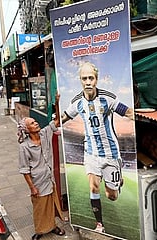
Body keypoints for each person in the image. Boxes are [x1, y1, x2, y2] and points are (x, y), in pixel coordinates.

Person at [61, 61, 134, 233]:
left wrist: (138, 116)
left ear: (96, 79)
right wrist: (53, 122)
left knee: (112, 196)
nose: (88, 82)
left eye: (91, 78)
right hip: (91, 153)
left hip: (111, 154)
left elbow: (128, 112)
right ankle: (99, 224)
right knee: (93, 187)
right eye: (84, 78)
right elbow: (64, 117)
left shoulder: (107, 98)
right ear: (80, 80)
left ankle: (118, 180)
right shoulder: (77, 102)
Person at [17, 94, 65, 240]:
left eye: (35, 121)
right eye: (32, 123)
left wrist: (57, 103)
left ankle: (53, 226)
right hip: (38, 181)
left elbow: (57, 121)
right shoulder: (24, 147)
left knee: (51, 204)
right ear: (27, 129)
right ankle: (39, 230)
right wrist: (32, 187)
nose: (36, 123)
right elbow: (25, 170)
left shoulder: (45, 133)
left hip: (49, 178)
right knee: (39, 207)